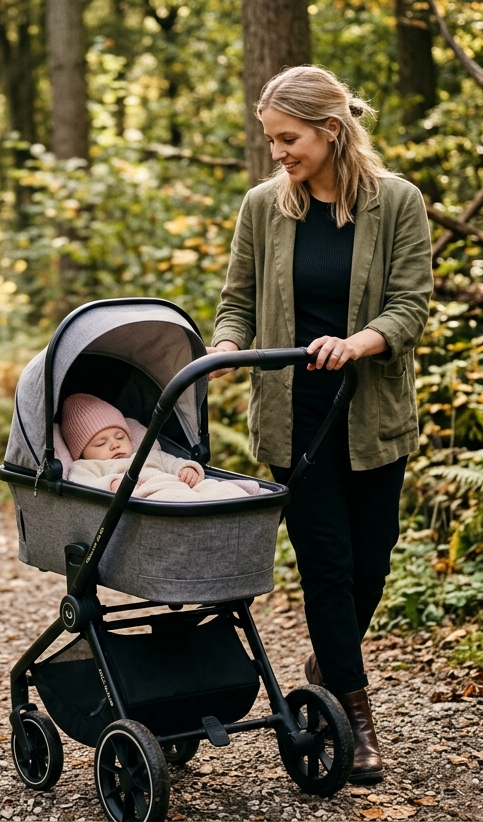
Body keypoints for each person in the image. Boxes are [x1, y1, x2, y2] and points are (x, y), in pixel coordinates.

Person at [208, 66, 433, 784]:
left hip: (370, 413)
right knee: (327, 567)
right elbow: (235, 301)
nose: (277, 153)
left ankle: (328, 659)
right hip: (295, 417)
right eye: (270, 139)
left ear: (331, 131)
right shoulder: (263, 208)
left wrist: (358, 342)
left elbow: (410, 305)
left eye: (289, 138)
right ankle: (357, 717)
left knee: (372, 562)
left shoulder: (397, 203)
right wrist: (222, 348)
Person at [61, 393, 258, 501]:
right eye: (101, 443)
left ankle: (237, 501)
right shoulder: (87, 467)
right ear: (82, 452)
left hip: (179, 485)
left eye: (120, 436)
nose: (114, 445)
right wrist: (111, 484)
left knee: (216, 488)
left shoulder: (148, 454)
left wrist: (187, 469)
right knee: (180, 500)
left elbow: (174, 462)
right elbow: (80, 486)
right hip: (151, 496)